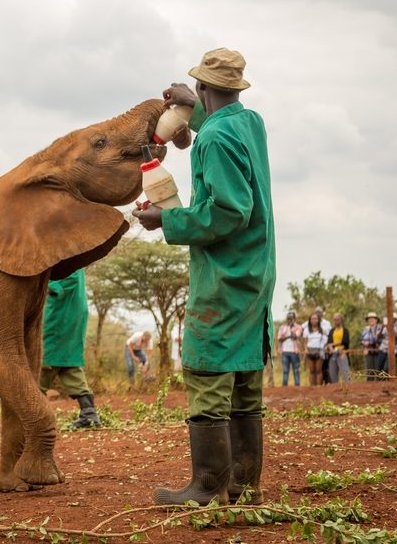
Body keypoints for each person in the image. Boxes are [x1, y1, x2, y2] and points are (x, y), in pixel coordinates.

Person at [133, 48, 274, 506]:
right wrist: (193, 113)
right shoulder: (248, 123)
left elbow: (230, 211)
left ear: (202, 89)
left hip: (225, 271)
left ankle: (207, 486)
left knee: (208, 364)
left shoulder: (213, 141)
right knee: (245, 370)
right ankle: (244, 484)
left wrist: (166, 221)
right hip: (256, 268)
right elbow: (221, 124)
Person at [39, 268, 102, 429]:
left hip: (61, 316)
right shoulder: (75, 255)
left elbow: (64, 280)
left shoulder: (67, 257)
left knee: (45, 361)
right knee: (69, 365)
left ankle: (32, 417)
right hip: (70, 314)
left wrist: (39, 285)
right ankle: (89, 413)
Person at [275, 311, 303, 386]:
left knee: (296, 370)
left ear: (294, 319)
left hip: (294, 352)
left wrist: (290, 329)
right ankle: (285, 387)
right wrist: (287, 336)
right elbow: (279, 339)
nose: (289, 320)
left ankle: (297, 386)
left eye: (291, 319)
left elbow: (295, 336)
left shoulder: (298, 327)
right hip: (285, 352)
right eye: (288, 319)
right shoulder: (282, 327)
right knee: (285, 370)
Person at [359, 312, 387, 381]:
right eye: (369, 319)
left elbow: (379, 339)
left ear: (376, 320)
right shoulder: (366, 329)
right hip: (369, 352)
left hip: (379, 352)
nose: (371, 320)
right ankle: (369, 387)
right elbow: (361, 339)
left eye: (373, 318)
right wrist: (365, 346)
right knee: (369, 371)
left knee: (378, 370)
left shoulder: (380, 327)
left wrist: (369, 343)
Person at [325, 313, 351, 384]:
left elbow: (345, 341)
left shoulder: (345, 330)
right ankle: (335, 388)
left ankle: (349, 386)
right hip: (333, 353)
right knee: (332, 373)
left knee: (345, 371)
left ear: (341, 320)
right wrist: (330, 348)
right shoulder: (332, 331)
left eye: (337, 319)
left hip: (342, 352)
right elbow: (329, 342)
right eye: (334, 320)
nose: (336, 321)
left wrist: (333, 344)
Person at [303, 313, 327, 386]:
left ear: (318, 320)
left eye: (315, 319)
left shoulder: (322, 330)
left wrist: (322, 349)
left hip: (319, 351)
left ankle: (318, 386)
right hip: (310, 350)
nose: (314, 320)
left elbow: (325, 341)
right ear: (310, 320)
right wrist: (306, 349)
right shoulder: (307, 330)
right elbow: (305, 342)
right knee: (312, 371)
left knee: (318, 370)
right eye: (312, 319)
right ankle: (312, 387)